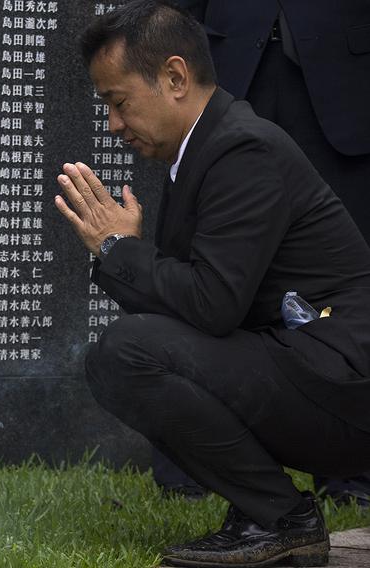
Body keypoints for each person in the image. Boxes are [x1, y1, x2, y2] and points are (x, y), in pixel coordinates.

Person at [54, 1, 370, 566]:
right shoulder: (201, 149)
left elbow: (210, 304)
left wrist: (118, 250)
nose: (113, 125)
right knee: (125, 353)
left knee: (125, 352)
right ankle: (267, 513)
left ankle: (281, 519)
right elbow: (186, 305)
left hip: (344, 386)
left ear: (175, 77)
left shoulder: (242, 149)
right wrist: (123, 255)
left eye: (118, 102)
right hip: (311, 373)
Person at [153, 0, 370, 506]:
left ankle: (354, 472)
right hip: (221, 57)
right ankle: (188, 464)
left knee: (346, 275)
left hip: (345, 72)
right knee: (195, 258)